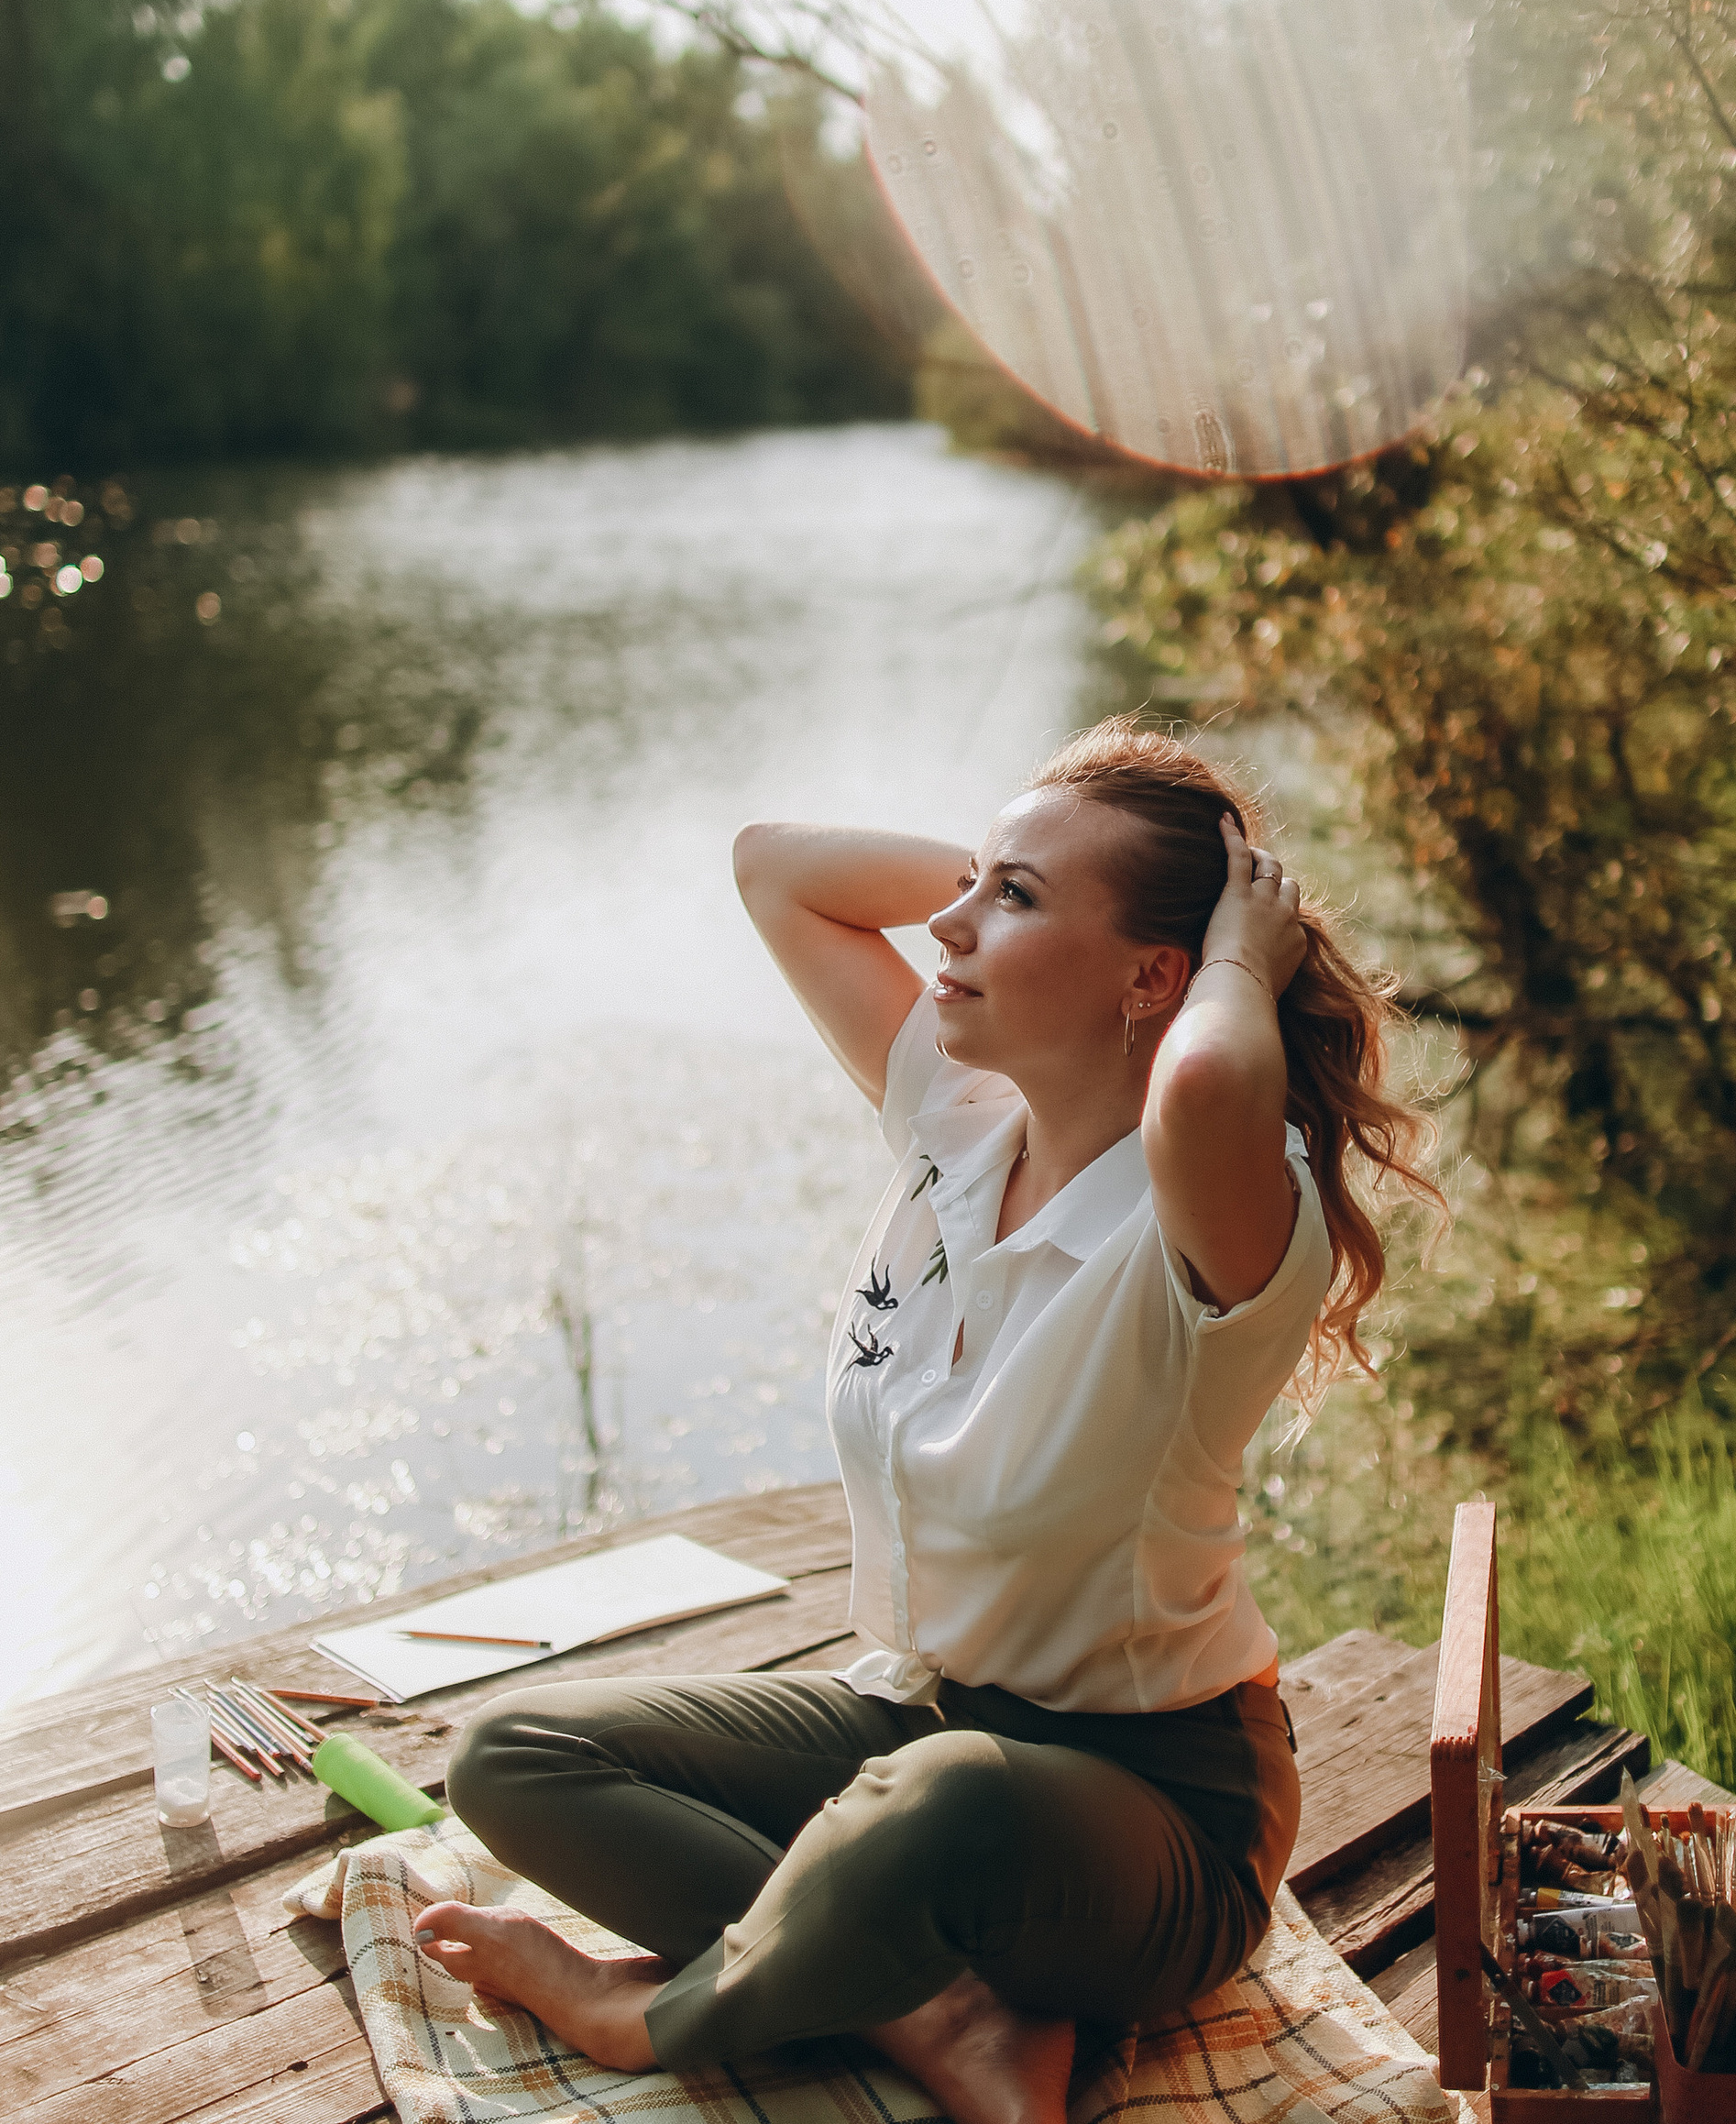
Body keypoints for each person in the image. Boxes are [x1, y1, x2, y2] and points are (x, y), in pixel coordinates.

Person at [412, 720, 1434, 2124]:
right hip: (913, 1729)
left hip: (1159, 1820)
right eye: (975, 883)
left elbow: (1198, 1079)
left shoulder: (1221, 1206)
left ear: (1157, 978)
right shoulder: (957, 1123)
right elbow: (774, 870)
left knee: (943, 1800)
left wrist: (1244, 955)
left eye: (1009, 902)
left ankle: (649, 2014)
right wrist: (1015, 867)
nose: (946, 921)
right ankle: (933, 2009)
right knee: (515, 1757)